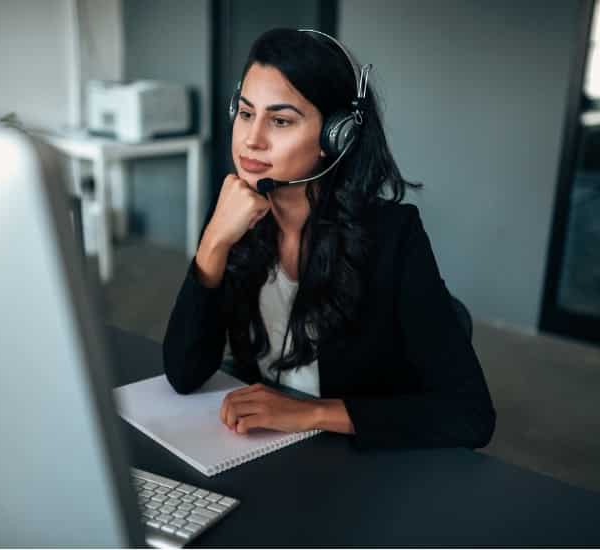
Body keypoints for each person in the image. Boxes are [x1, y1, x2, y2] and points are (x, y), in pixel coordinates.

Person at [163, 28, 496, 450]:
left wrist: (309, 413)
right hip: (257, 446)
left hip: (354, 461)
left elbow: (470, 415)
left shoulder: (393, 236)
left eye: (280, 120)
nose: (251, 138)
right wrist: (213, 244)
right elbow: (183, 373)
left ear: (335, 136)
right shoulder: (234, 213)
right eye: (246, 113)